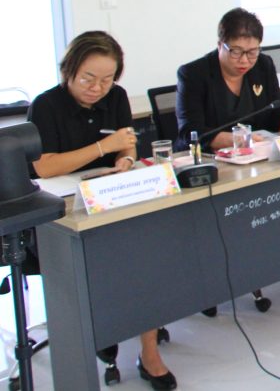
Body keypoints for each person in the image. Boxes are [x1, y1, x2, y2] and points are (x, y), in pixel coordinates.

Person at [27, 31, 176, 390]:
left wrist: (125, 159)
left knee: (149, 250)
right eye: (88, 79)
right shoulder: (46, 106)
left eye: (107, 80)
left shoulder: (117, 97)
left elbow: (126, 145)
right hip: (63, 213)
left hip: (109, 197)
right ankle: (101, 329)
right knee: (102, 259)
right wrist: (103, 147)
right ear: (69, 71)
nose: (97, 88)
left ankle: (148, 351)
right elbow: (43, 166)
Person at [175, 8, 280, 151]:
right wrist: (236, 140)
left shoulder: (263, 64)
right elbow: (190, 133)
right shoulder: (193, 74)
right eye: (236, 51)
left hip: (256, 152)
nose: (244, 60)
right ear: (220, 45)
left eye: (252, 52)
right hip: (208, 156)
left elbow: (276, 107)